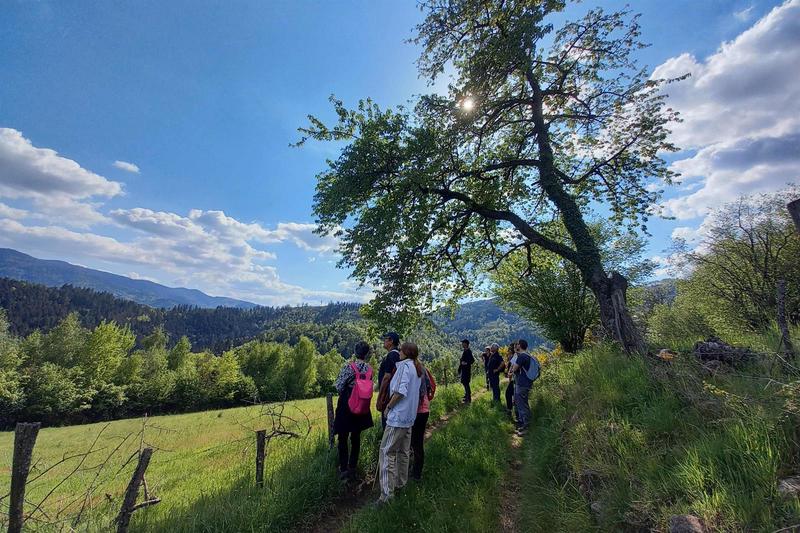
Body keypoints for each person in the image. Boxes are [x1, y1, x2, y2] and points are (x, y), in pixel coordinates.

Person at [377, 341, 423, 503]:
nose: (399, 352)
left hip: (398, 418)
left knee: (386, 452)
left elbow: (400, 391)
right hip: (409, 418)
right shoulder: (417, 368)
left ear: (406, 352)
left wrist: (388, 407)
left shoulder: (404, 367)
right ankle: (400, 484)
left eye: (401, 350)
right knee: (403, 452)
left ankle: (386, 495)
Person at [332, 341, 375, 480]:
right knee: (356, 437)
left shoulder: (349, 367)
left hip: (347, 404)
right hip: (362, 405)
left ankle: (343, 469)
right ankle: (353, 467)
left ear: (355, 351)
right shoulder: (370, 370)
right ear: (367, 354)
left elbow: (338, 386)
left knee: (343, 437)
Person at [411, 359, 436, 480]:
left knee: (414, 442)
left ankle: (415, 473)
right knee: (418, 442)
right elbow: (430, 385)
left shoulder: (411, 370)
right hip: (425, 409)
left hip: (415, 410)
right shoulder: (423, 369)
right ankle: (417, 472)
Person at [510, 339, 536, 435]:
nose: (516, 346)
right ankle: (524, 425)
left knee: (522, 405)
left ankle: (527, 427)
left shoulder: (522, 357)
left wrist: (513, 367)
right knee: (522, 403)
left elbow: (514, 368)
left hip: (522, 384)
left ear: (520, 346)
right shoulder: (527, 355)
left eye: (517, 344)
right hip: (526, 383)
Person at [378, 332, 401, 429]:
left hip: (388, 396)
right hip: (393, 395)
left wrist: (380, 398)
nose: (383, 341)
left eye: (385, 339)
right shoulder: (398, 355)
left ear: (391, 341)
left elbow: (387, 377)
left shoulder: (391, 355)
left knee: (387, 425)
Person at [505, 342, 517, 421]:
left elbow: (513, 368)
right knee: (511, 395)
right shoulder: (514, 356)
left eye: (509, 349)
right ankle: (513, 412)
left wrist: (510, 373)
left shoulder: (515, 357)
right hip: (513, 380)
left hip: (515, 380)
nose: (508, 351)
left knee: (509, 394)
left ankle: (513, 412)